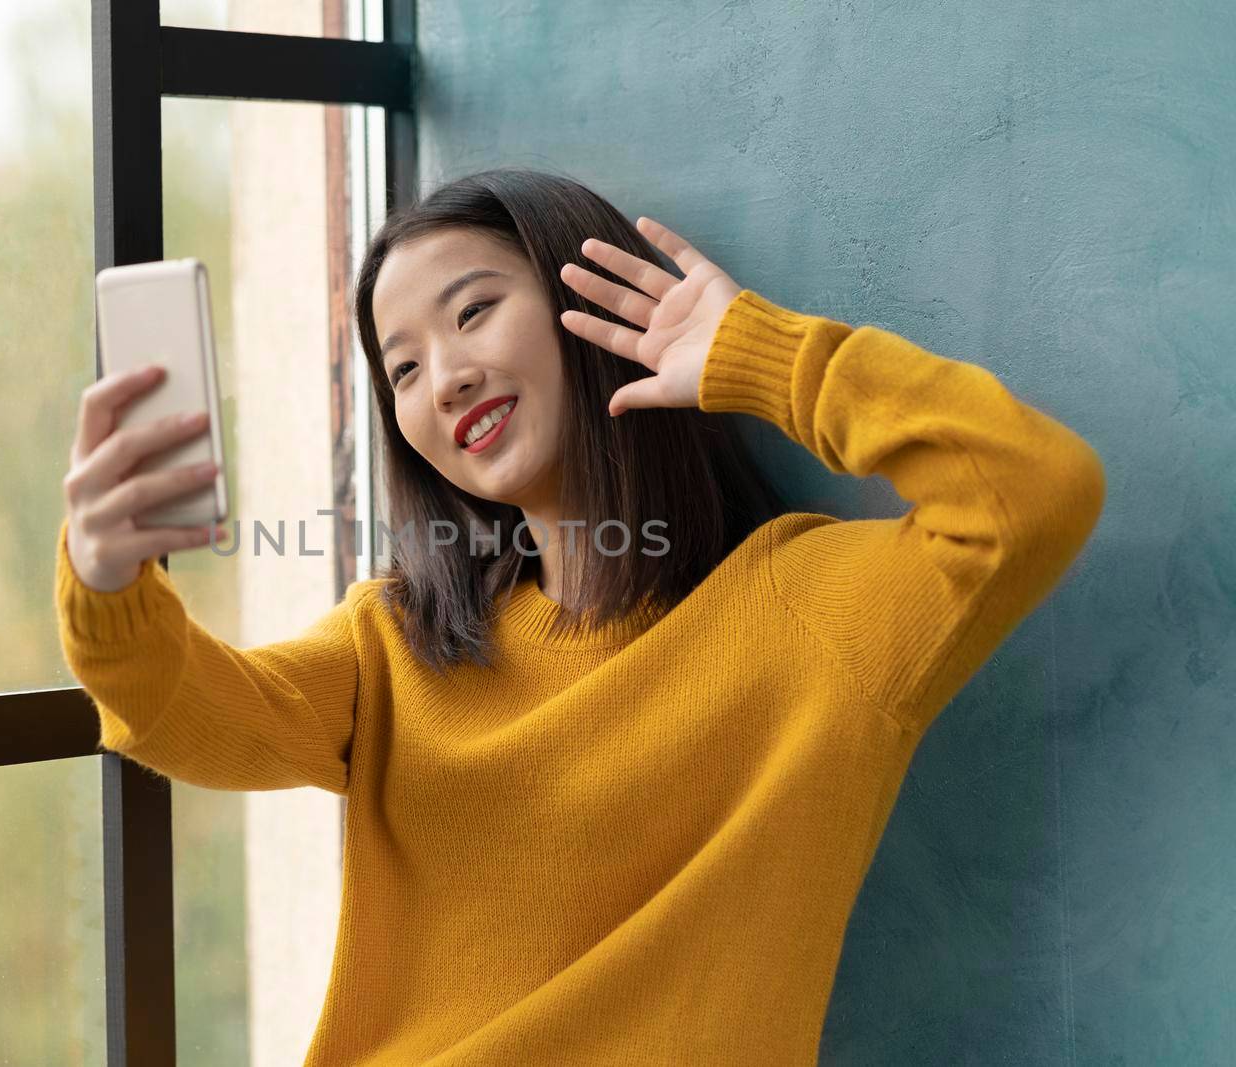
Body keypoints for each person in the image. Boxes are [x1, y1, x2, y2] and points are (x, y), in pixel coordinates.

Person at [54, 167, 1106, 1065]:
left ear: (595, 312)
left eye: (472, 312)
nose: (446, 376)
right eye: (403, 368)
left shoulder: (806, 612)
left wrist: (762, 356)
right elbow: (182, 708)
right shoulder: (397, 639)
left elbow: (1030, 492)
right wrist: (105, 577)